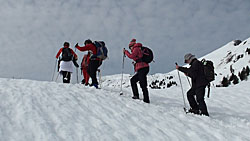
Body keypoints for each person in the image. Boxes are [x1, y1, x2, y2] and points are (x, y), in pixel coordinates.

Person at [123, 39, 150, 103]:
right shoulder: (138, 49)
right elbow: (138, 58)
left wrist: (126, 52)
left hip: (143, 68)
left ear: (132, 46)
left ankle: (146, 99)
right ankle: (136, 95)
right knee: (133, 80)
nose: (130, 49)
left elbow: (131, 56)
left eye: (130, 48)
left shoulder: (136, 48)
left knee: (142, 83)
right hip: (144, 67)